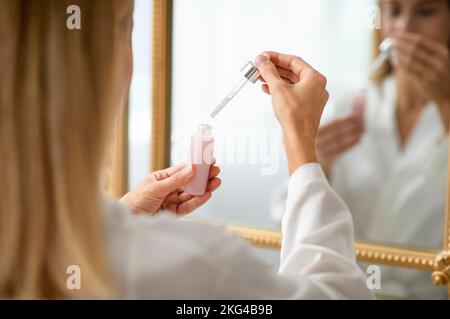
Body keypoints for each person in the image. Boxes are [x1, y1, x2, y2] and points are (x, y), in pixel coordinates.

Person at [0, 0, 371, 299]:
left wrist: (125, 216)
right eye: (127, 23)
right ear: (99, 59)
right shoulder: (194, 267)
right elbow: (341, 293)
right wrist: (302, 142)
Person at [271, 0, 449, 298]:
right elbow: (284, 222)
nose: (405, 28)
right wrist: (318, 163)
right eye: (393, 11)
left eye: (425, 11)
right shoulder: (347, 106)